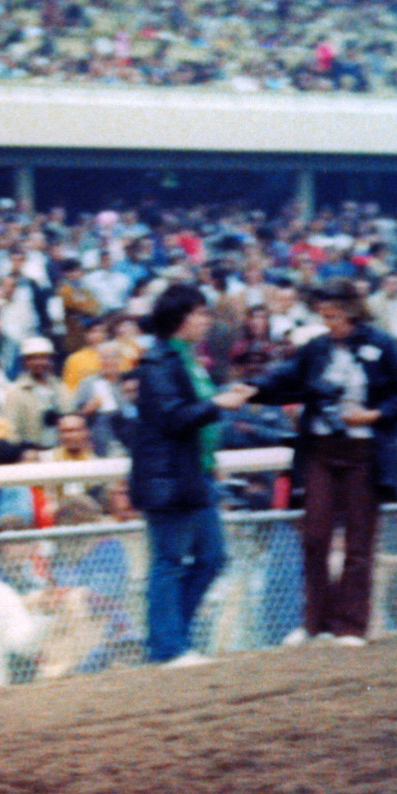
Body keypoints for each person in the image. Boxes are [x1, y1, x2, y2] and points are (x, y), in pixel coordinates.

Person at [247, 277, 397, 646]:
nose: (329, 322)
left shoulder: (383, 346)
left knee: (360, 540)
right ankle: (315, 623)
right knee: (314, 537)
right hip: (321, 450)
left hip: (364, 453)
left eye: (334, 315)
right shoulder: (316, 348)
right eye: (324, 314)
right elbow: (288, 376)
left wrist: (375, 414)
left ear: (351, 311)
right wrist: (255, 388)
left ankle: (351, 625)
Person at [127, 284, 254, 666]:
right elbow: (173, 417)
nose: (206, 320)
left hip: (195, 475)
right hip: (168, 478)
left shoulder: (190, 361)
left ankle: (169, 639)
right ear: (181, 317)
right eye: (200, 313)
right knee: (168, 561)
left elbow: (197, 416)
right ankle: (168, 646)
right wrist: (217, 403)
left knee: (212, 557)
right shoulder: (158, 363)